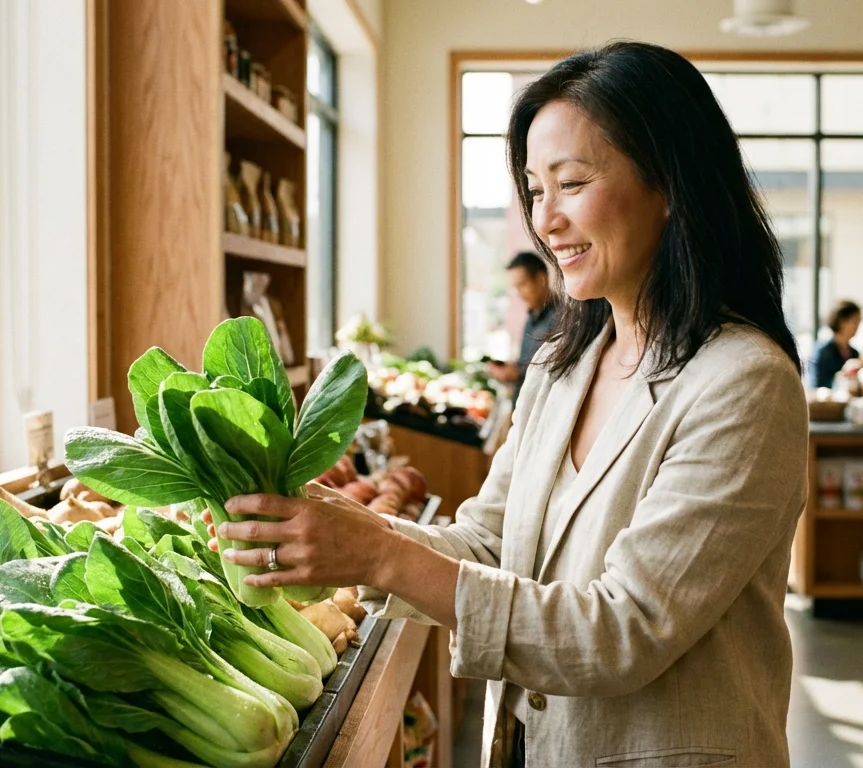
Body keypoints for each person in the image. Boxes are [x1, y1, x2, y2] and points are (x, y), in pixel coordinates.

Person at [204, 41, 808, 768]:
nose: (546, 221)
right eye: (534, 190)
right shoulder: (562, 369)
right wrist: (344, 532)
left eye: (572, 182)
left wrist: (380, 551)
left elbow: (625, 630)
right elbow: (489, 546)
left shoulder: (743, 383)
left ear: (670, 184)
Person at [486, 251, 555, 392]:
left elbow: (553, 373)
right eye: (515, 287)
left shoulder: (563, 319)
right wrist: (511, 369)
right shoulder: (532, 316)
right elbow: (527, 362)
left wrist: (516, 373)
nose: (518, 293)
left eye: (522, 285)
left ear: (542, 279)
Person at [812, 300, 862, 389]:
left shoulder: (855, 353)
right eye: (854, 322)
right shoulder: (823, 351)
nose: (857, 327)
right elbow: (815, 384)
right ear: (841, 322)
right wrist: (838, 379)